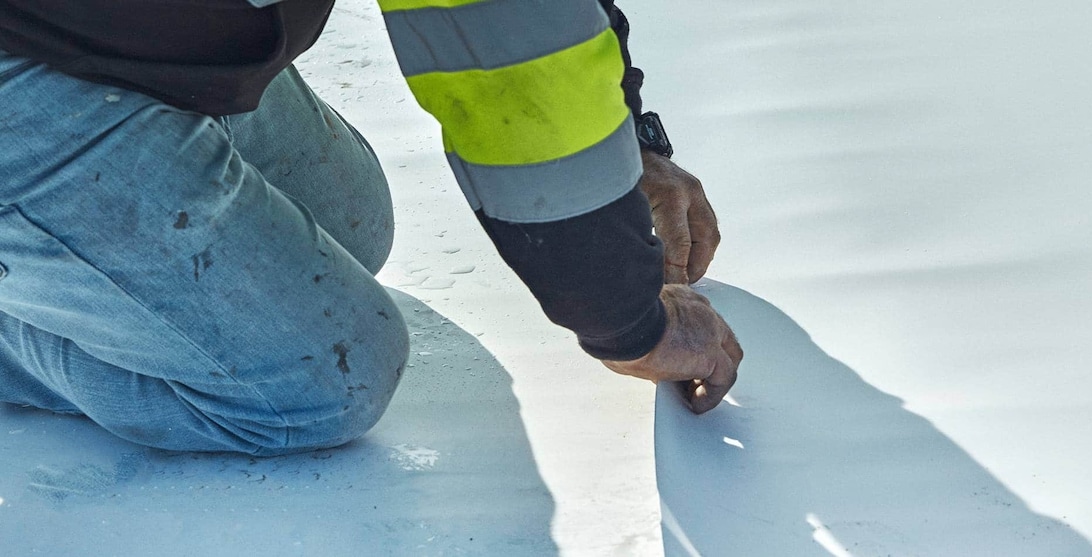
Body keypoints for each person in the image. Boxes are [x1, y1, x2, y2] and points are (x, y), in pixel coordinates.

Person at [0, 0, 743, 455]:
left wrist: (628, 141)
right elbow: (508, 41)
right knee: (318, 383)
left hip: (124, 38)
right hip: (28, 57)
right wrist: (628, 320)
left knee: (355, 224)